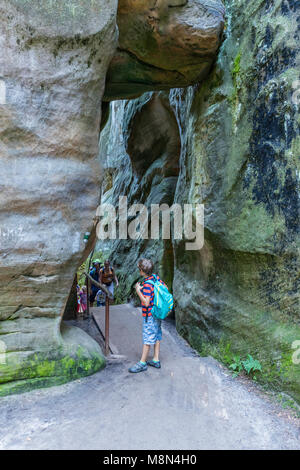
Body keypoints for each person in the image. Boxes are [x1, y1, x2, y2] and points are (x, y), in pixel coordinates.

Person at [128, 258, 166, 373]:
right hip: (158, 312)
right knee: (157, 334)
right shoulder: (155, 277)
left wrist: (138, 290)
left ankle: (142, 363)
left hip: (150, 315)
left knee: (148, 337)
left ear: (141, 271)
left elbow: (146, 302)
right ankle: (156, 359)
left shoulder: (147, 285)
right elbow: (165, 288)